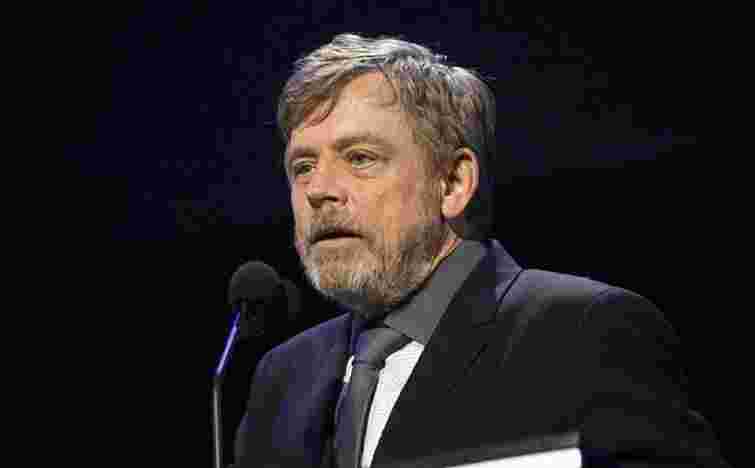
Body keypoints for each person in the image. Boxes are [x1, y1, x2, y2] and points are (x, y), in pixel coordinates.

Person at [230, 34, 729, 467]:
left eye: (360, 158)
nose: (318, 190)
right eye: (303, 167)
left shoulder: (584, 335)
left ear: (453, 182)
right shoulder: (282, 378)